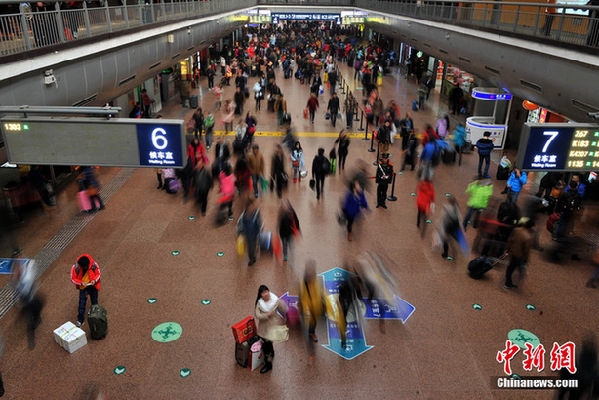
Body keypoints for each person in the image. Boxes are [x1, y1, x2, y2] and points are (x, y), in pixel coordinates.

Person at [254, 285, 288, 374]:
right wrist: (267, 315)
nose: (265, 294)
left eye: (266, 291)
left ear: (269, 291)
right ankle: (270, 358)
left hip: (272, 326)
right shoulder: (259, 303)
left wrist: (282, 306)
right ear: (260, 295)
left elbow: (283, 310)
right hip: (264, 328)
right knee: (267, 345)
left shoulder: (275, 301)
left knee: (267, 346)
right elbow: (257, 315)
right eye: (263, 293)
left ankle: (268, 364)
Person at [299, 261, 324, 362]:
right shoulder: (302, 283)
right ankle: (311, 353)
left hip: (315, 309)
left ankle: (312, 332)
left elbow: (320, 293)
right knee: (306, 332)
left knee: (312, 326)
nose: (311, 274)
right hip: (306, 311)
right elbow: (301, 298)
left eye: (312, 272)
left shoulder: (316, 281)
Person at [70, 254, 101, 327]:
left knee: (94, 302)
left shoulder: (93, 264)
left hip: (92, 286)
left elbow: (98, 274)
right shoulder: (75, 267)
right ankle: (80, 320)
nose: (85, 267)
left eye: (86, 266)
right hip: (83, 287)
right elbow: (72, 278)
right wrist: (81, 282)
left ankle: (95, 318)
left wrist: (94, 280)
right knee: (81, 304)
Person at [504, 219, 535, 290]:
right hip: (520, 256)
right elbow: (526, 251)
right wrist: (526, 260)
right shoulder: (528, 237)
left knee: (510, 269)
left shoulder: (516, 230)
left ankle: (508, 283)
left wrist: (508, 249)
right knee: (519, 268)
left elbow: (510, 240)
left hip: (513, 253)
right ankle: (517, 279)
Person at [236, 199, 263, 266]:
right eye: (250, 207)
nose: (251, 208)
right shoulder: (244, 216)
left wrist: (260, 230)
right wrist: (240, 232)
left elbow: (259, 223)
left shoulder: (256, 214)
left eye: (252, 206)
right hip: (247, 234)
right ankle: (252, 257)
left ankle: (252, 259)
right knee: (249, 248)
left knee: (252, 247)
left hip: (254, 234)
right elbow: (241, 224)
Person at [278, 199, 300, 263]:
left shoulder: (292, 212)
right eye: (284, 205)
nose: (285, 207)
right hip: (284, 233)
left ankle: (292, 255)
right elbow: (280, 224)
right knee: (284, 245)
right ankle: (285, 255)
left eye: (286, 205)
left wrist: (297, 230)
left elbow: (296, 221)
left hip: (290, 233)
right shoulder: (281, 213)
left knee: (291, 244)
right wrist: (280, 233)